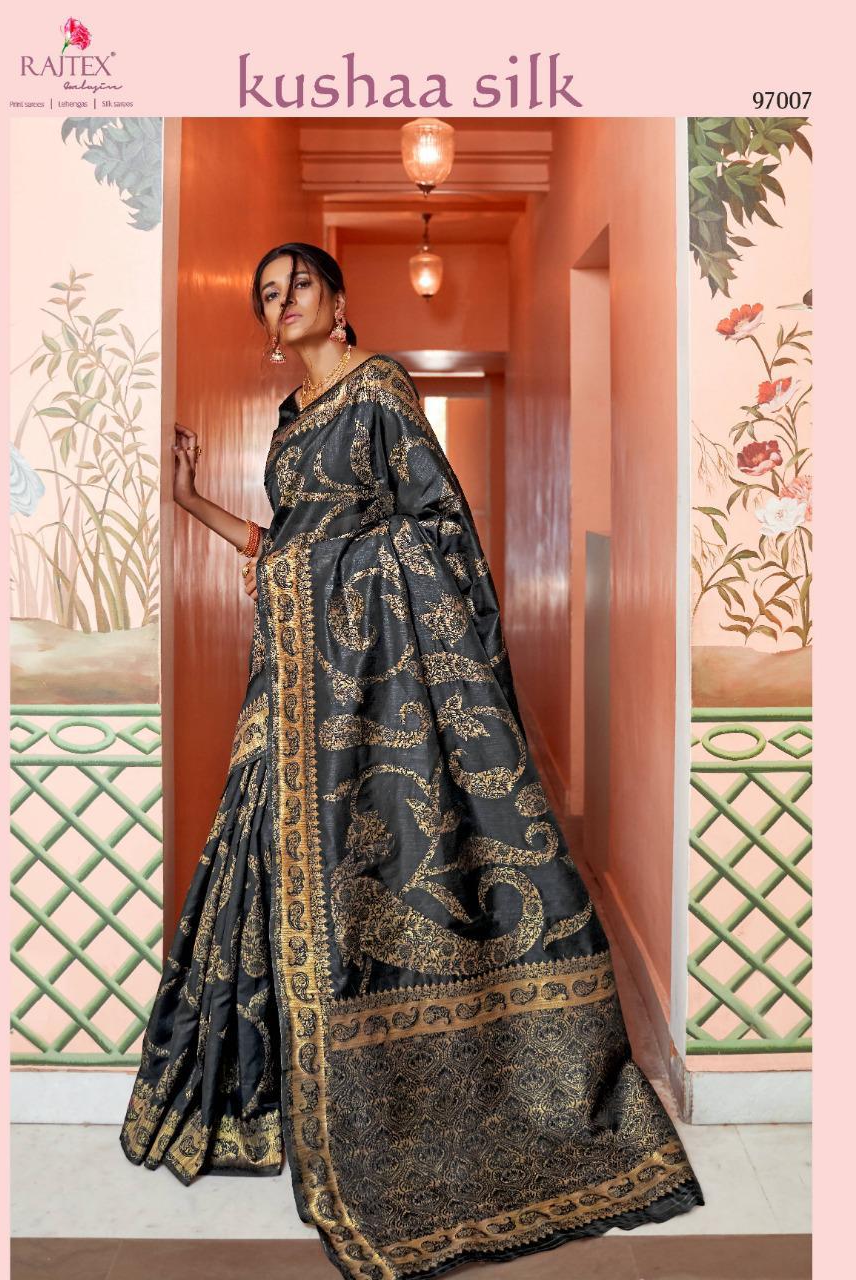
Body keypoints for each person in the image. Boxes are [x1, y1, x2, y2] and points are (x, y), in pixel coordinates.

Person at [120, 243, 705, 1278]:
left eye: (299, 285)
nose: (282, 302)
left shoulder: (380, 391)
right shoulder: (291, 423)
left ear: (339, 300)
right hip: (293, 684)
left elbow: (436, 528)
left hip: (379, 685)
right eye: (267, 293)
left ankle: (446, 1086)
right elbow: (281, 545)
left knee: (389, 857)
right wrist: (188, 502)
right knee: (263, 848)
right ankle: (274, 1084)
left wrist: (321, 571)